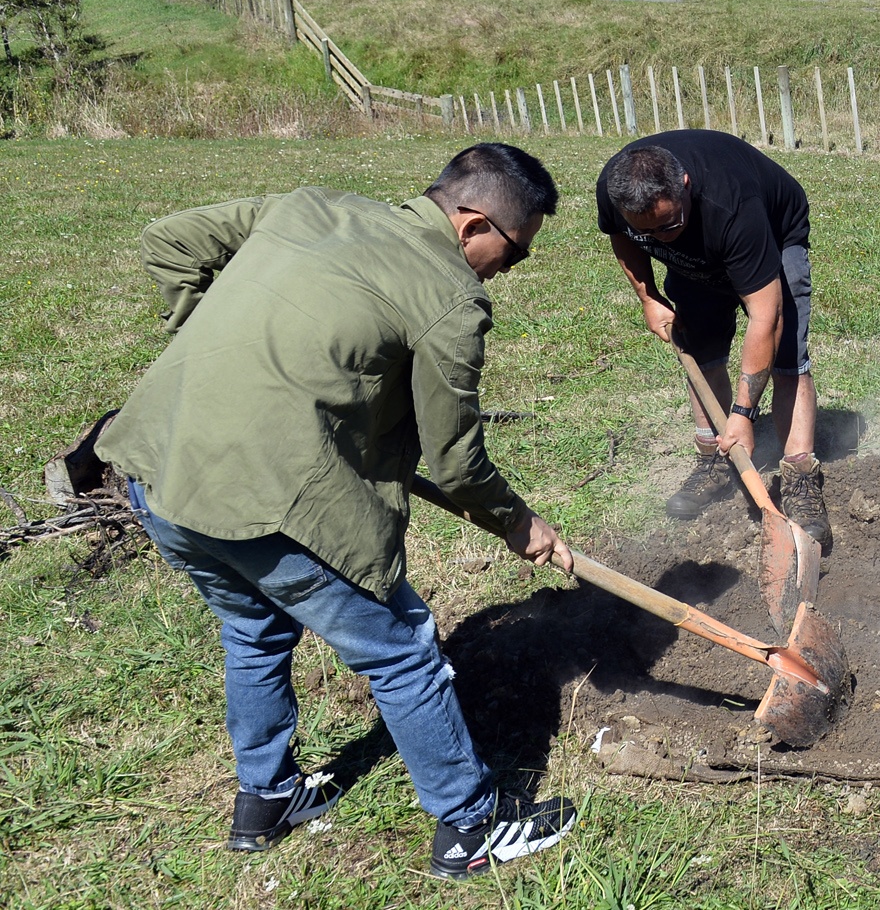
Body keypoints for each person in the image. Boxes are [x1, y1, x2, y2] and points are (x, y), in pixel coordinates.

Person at [98, 144, 580, 878]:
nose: (509, 271)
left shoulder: (312, 206)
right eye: (514, 253)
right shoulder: (449, 299)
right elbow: (456, 460)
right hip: (263, 501)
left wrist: (213, 344)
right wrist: (518, 522)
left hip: (159, 472)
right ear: (473, 225)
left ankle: (267, 798)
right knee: (402, 648)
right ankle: (470, 827)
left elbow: (169, 241)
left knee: (255, 627)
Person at [595, 129, 828, 546]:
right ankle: (713, 462)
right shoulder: (616, 190)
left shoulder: (733, 205)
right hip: (698, 249)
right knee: (701, 350)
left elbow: (766, 317)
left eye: (668, 224)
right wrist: (648, 296)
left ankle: (799, 476)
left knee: (787, 357)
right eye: (648, 232)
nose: (659, 237)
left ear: (684, 185)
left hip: (773, 234)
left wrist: (743, 414)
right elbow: (620, 235)